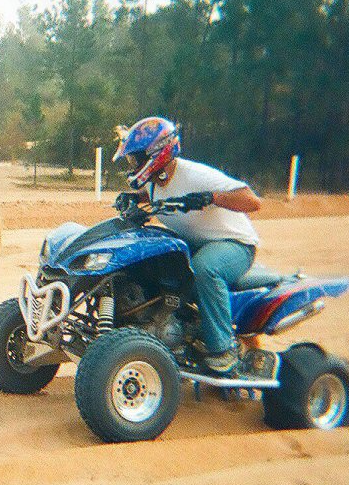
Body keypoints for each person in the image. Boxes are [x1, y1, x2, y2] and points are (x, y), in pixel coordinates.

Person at [112, 116, 262, 376]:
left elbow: (252, 201)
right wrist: (133, 198)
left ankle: (222, 349)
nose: (133, 165)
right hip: (195, 243)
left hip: (235, 244)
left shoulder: (196, 175)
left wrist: (211, 197)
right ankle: (176, 336)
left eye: (136, 158)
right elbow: (160, 195)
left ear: (156, 154)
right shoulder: (155, 182)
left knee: (205, 269)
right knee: (153, 262)